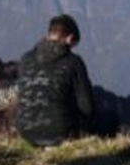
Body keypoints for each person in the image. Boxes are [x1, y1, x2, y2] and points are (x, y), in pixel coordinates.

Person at [14, 14, 95, 147]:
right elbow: (87, 108)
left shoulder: (25, 59)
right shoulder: (73, 62)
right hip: (60, 133)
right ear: (69, 38)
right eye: (73, 45)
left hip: (25, 132)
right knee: (109, 119)